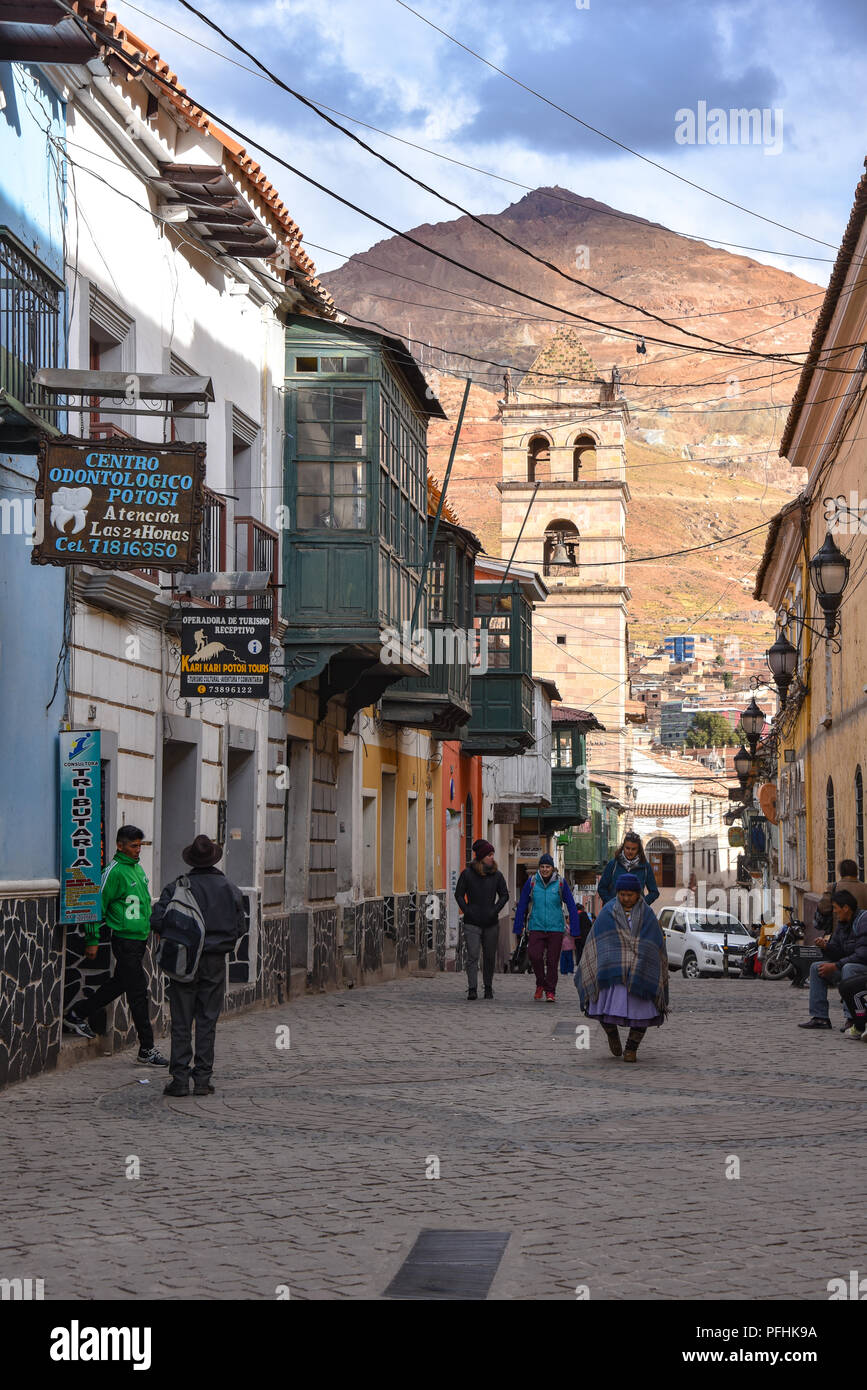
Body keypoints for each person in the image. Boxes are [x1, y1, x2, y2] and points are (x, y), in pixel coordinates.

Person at [63, 826, 168, 1067]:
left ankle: (77, 1013)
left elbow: (142, 904)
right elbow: (95, 904)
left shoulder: (137, 869)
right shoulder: (113, 872)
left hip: (139, 940)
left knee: (118, 984)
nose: (137, 850)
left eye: (140, 845)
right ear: (120, 845)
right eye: (133, 846)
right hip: (124, 941)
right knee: (138, 992)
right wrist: (92, 939)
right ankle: (147, 1049)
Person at [150, 834, 246, 1096]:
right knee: (207, 1020)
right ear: (214, 858)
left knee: (181, 1020)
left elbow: (157, 920)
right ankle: (203, 1079)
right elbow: (241, 927)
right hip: (215, 961)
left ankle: (179, 1079)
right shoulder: (229, 888)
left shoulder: (178, 887)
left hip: (184, 961)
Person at [576, 873, 668, 1062]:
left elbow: (655, 944)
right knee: (603, 1006)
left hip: (640, 971)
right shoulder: (608, 911)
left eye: (630, 895)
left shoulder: (648, 915)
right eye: (622, 894)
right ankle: (612, 1034)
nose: (626, 898)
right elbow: (597, 941)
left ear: (638, 894)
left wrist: (643, 959)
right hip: (613, 972)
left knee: (642, 1012)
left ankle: (631, 1048)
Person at [513, 853, 582, 1000]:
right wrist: (518, 925)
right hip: (536, 926)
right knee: (534, 956)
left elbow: (571, 905)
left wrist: (575, 929)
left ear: (552, 868)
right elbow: (523, 904)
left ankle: (550, 991)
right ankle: (540, 983)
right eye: (542, 866)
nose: (544, 869)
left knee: (552, 961)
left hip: (555, 928)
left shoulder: (560, 883)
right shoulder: (532, 882)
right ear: (539, 868)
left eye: (547, 867)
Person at [798, 890, 867, 1031]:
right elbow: (838, 951)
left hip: (861, 969)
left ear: (846, 908)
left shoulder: (863, 920)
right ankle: (820, 1017)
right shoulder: (842, 923)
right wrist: (826, 946)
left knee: (849, 968)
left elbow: (862, 955)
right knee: (817, 967)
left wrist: (836, 966)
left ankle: (852, 1018)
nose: (834, 912)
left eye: (836, 908)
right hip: (848, 964)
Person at [454, 840, 509, 1001]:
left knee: (490, 956)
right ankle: (472, 988)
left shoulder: (497, 875)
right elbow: (458, 894)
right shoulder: (467, 874)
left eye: (492, 855)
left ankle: (488, 987)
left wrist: (495, 910)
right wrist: (467, 910)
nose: (492, 857)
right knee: (472, 955)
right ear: (481, 857)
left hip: (491, 923)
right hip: (472, 922)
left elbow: (505, 894)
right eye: (489, 855)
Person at [597, 832, 660, 907]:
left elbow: (654, 892)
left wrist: (642, 905)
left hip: (636, 914)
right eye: (627, 848)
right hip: (613, 913)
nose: (630, 852)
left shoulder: (645, 867)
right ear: (623, 847)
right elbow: (602, 888)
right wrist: (611, 904)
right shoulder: (613, 865)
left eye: (633, 849)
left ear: (638, 849)